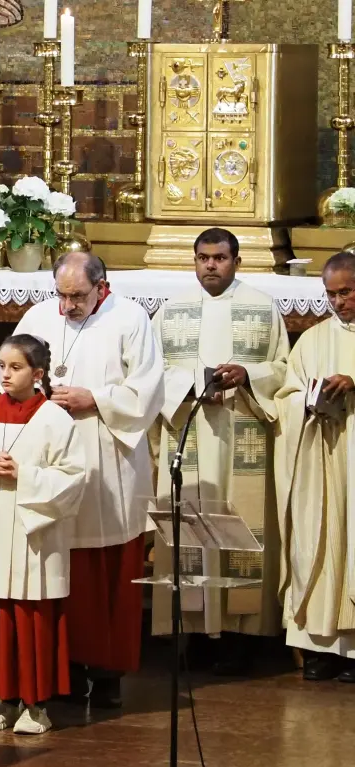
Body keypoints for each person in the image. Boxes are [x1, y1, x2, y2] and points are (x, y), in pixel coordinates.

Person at [13, 252, 162, 707]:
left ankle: (109, 672)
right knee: (59, 564)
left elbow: (148, 390)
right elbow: (10, 367)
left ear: (103, 286)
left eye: (77, 296)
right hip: (52, 457)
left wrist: (93, 398)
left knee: (108, 567)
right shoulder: (38, 316)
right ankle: (65, 671)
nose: (67, 305)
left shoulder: (131, 319)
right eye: (61, 294)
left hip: (108, 458)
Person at [150, 228, 288, 675]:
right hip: (190, 433)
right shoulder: (172, 312)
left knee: (242, 528)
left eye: (221, 258)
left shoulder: (263, 309)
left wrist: (246, 374)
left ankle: (241, 635)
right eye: (203, 258)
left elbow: (284, 369)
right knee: (191, 526)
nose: (211, 265)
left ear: (237, 261)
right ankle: (193, 633)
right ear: (194, 261)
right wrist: (193, 385)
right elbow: (154, 374)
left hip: (240, 436)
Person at [0, 335, 86, 735]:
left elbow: (74, 477)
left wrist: (23, 475)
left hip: (35, 534)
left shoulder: (55, 419)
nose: (5, 374)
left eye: (15, 367)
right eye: (1, 365)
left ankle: (37, 705)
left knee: (33, 617)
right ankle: (5, 700)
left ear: (38, 374)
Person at [276, 251, 355, 682]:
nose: (338, 302)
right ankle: (321, 647)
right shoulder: (312, 339)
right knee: (320, 542)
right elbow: (286, 396)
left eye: (346, 292)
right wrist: (308, 401)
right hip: (319, 458)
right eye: (331, 294)